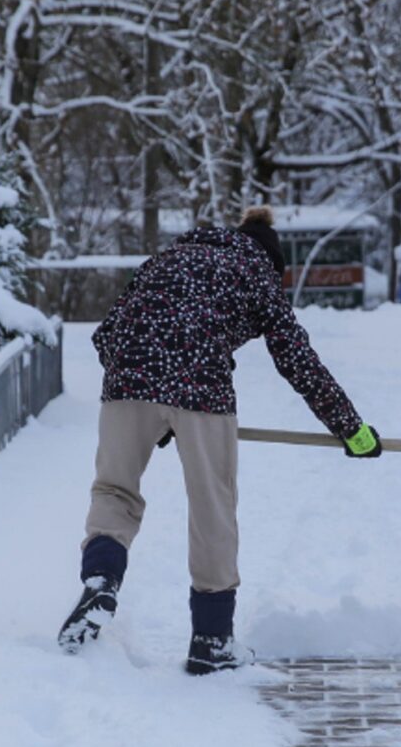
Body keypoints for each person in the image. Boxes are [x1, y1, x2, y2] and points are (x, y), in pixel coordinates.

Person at [56, 207, 381, 674]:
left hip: (127, 377)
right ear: (272, 259)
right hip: (202, 386)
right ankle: (212, 639)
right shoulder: (258, 272)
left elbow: (105, 334)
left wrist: (150, 398)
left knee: (114, 489)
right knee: (212, 505)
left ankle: (101, 578)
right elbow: (297, 359)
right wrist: (351, 428)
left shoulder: (169, 257)